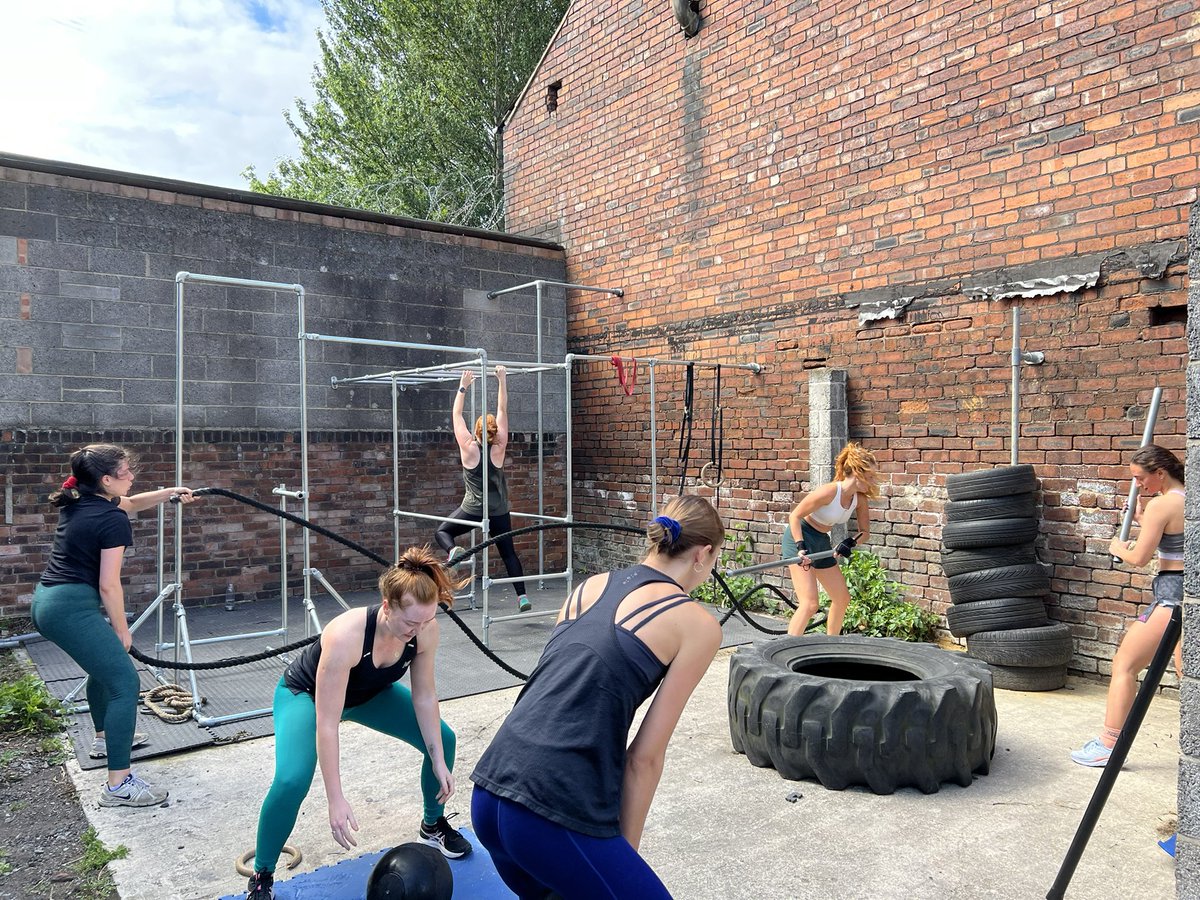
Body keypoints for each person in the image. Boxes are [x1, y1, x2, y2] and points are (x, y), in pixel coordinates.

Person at [470, 495, 725, 899]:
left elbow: (554, 690)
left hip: (488, 794)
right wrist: (624, 861)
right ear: (703, 554)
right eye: (714, 563)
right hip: (548, 809)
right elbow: (644, 759)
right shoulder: (697, 624)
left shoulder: (588, 586)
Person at [244, 547, 472, 899]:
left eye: (425, 621)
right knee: (292, 779)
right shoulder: (346, 634)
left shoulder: (425, 630)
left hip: (368, 695)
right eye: (411, 622)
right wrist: (336, 799)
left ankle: (432, 823)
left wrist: (439, 760)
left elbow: (424, 697)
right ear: (386, 605)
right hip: (306, 696)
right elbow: (327, 722)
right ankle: (262, 874)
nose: (418, 630)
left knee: (444, 739)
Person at [31, 443, 197, 808]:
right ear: (106, 480)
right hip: (71, 608)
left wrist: (171, 492)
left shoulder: (84, 500)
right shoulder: (111, 519)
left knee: (104, 671)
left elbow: (134, 502)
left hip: (49, 601)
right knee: (125, 681)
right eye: (126, 473)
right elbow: (109, 584)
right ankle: (119, 785)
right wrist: (122, 629)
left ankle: (105, 739)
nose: (133, 477)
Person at [1071, 444, 1185, 768]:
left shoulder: (1161, 506)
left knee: (1124, 663)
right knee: (1187, 673)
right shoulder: (1186, 499)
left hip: (1172, 599)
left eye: (1140, 478)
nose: (1138, 485)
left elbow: (1139, 557)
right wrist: (1142, 519)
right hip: (1187, 593)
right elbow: (1173, 544)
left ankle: (1109, 746)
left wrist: (1116, 546)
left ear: (1159, 473)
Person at [434, 365, 531, 611]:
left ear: (476, 431)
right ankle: (522, 597)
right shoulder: (500, 446)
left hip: (473, 508)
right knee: (508, 553)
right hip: (498, 510)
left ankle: (453, 550)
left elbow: (456, 415)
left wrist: (463, 386)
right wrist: (502, 380)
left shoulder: (468, 446)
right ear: (493, 431)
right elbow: (502, 408)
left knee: (442, 532)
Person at [783, 442, 880, 637]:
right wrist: (800, 547)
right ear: (856, 472)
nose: (872, 482)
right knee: (810, 604)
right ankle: (788, 648)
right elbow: (795, 516)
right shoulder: (829, 492)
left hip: (821, 541)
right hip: (800, 537)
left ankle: (832, 644)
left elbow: (864, 532)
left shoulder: (859, 499)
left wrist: (850, 542)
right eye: (869, 476)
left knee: (842, 598)